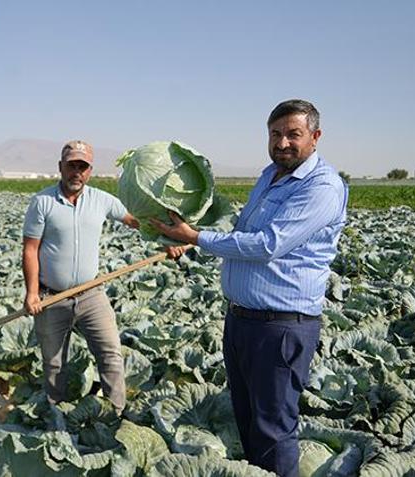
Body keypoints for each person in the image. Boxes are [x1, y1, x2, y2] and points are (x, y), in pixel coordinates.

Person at [151, 99, 348, 477]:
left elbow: (267, 244)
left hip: (281, 326)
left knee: (273, 430)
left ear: (315, 136)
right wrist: (192, 238)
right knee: (248, 420)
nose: (283, 142)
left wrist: (196, 237)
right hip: (242, 321)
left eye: (293, 134)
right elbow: (242, 234)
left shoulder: (322, 186)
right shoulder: (269, 176)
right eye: (276, 134)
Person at [22, 140, 141, 417]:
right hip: (52, 297)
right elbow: (30, 250)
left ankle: (115, 415)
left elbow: (137, 222)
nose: (77, 172)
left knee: (111, 355)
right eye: (72, 165)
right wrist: (32, 293)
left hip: (92, 294)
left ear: (90, 171)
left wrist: (170, 240)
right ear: (60, 167)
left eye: (82, 167)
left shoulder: (102, 200)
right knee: (54, 364)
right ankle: (56, 418)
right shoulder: (42, 202)